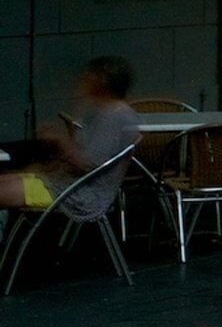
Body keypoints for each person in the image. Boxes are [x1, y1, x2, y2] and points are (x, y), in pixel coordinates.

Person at [6, 58, 141, 230]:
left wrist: (61, 141)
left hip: (79, 194)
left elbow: (88, 164)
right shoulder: (104, 111)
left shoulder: (116, 117)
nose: (83, 80)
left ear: (101, 81)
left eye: (88, 76)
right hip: (67, 184)